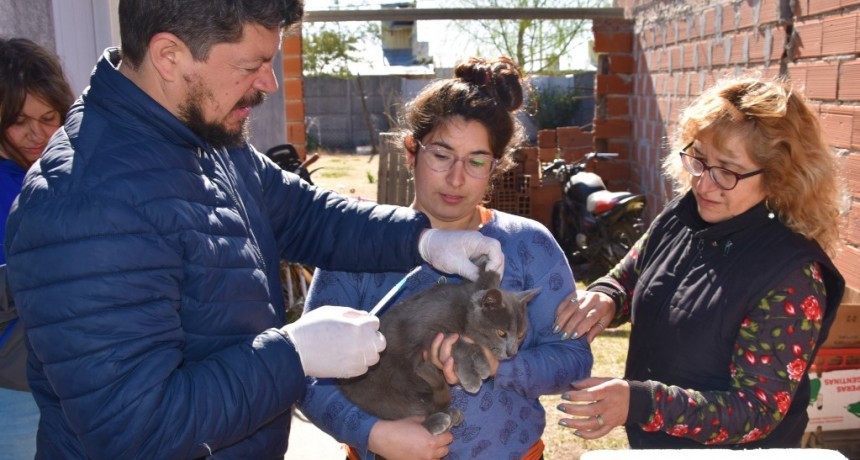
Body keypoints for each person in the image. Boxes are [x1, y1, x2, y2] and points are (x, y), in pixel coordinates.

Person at [2, 1, 506, 458]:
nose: (268, 83)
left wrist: (422, 239)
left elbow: (303, 213)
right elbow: (133, 430)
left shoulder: (201, 134)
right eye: (251, 65)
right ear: (169, 55)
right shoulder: (86, 204)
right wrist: (294, 355)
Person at [298, 57, 593, 460]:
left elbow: (574, 361)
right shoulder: (357, 246)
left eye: (476, 161)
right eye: (441, 155)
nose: (457, 178)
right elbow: (308, 375)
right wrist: (374, 434)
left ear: (495, 167)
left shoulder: (527, 244)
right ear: (409, 152)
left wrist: (498, 366)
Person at [553, 76, 846, 448]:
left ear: (777, 178)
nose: (705, 184)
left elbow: (755, 410)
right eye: (699, 159)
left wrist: (641, 403)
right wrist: (608, 296)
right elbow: (633, 273)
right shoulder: (684, 215)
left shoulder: (792, 275)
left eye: (727, 171)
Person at [0, 37, 74, 459]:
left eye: (49, 117)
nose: (37, 134)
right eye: (18, 120)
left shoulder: (43, 178)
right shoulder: (13, 190)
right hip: (17, 393)